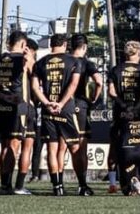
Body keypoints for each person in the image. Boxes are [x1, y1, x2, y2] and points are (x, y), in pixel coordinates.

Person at [0, 30, 31, 195]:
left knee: (4, 145)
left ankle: (5, 185)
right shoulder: (22, 59)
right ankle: (7, 185)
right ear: (23, 44)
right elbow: (32, 72)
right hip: (17, 106)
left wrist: (2, 95)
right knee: (13, 145)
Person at [32, 33, 82, 196]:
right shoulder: (73, 61)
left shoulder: (40, 63)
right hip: (66, 109)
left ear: (51, 44)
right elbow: (73, 84)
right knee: (75, 147)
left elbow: (35, 87)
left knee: (52, 149)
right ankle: (82, 185)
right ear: (65, 45)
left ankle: (57, 187)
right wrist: (60, 104)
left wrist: (47, 103)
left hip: (48, 110)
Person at [108, 41, 140, 193]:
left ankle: (116, 183)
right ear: (139, 53)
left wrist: (123, 105)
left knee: (116, 146)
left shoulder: (116, 70)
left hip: (120, 113)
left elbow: (112, 92)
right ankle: (137, 181)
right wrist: (136, 107)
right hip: (138, 114)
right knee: (138, 148)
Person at [70, 33, 103, 196]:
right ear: (85, 47)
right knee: (81, 147)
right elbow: (99, 81)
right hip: (79, 105)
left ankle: (58, 186)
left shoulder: (64, 61)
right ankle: (82, 184)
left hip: (60, 107)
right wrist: (94, 100)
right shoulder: (86, 63)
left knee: (60, 147)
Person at [16, 39, 39, 195]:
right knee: (26, 148)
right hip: (27, 106)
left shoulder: (7, 59)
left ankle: (5, 184)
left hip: (10, 105)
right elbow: (36, 85)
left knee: (9, 146)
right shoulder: (29, 60)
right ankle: (19, 185)